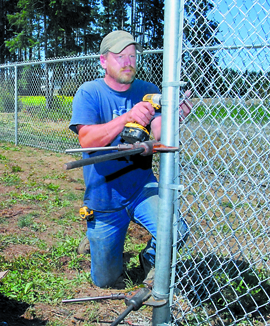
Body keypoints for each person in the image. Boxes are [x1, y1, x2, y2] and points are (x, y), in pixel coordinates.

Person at [69, 30, 192, 288]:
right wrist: (128, 117)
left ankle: (149, 258)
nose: (128, 61)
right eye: (120, 56)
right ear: (103, 61)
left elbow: (158, 133)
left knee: (176, 231)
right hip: (104, 197)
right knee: (105, 280)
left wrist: (175, 119)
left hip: (141, 188)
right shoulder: (89, 92)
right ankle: (96, 240)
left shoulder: (148, 90)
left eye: (133, 56)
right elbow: (87, 140)